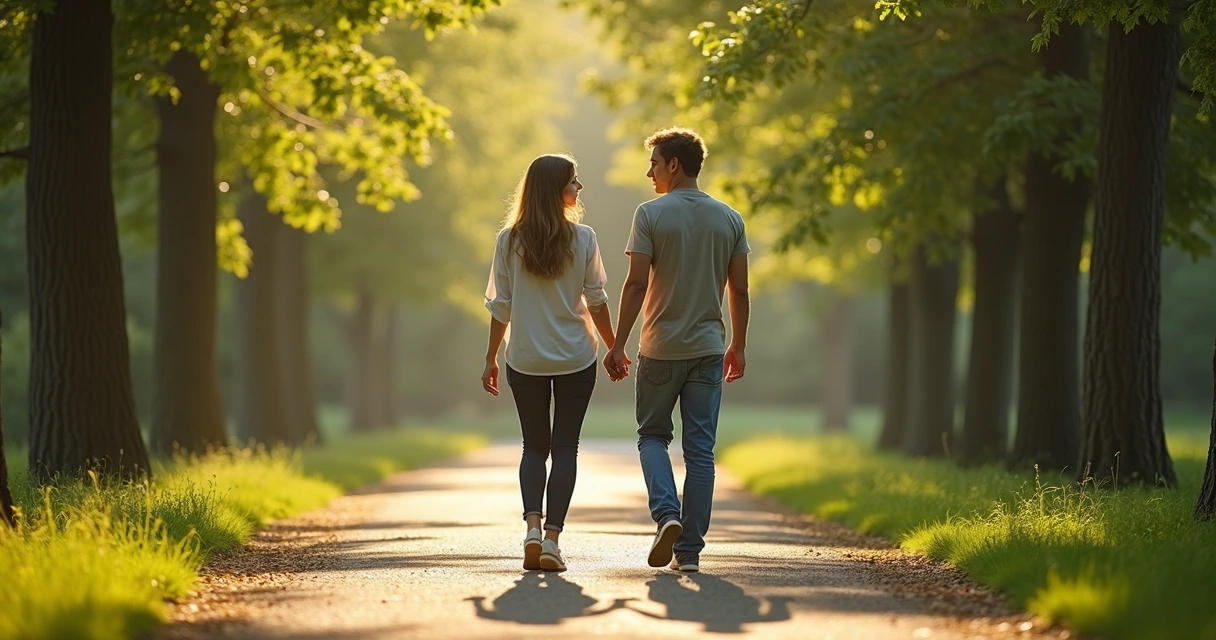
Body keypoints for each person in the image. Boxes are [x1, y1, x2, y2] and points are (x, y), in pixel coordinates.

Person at [604, 128, 750, 573]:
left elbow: (635, 284)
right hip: (708, 349)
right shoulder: (729, 218)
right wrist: (737, 346)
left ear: (674, 165)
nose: (649, 171)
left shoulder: (649, 214)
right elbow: (739, 291)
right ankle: (688, 553)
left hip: (659, 349)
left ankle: (667, 515)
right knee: (700, 451)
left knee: (652, 437)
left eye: (654, 163)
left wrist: (617, 343)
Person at [482, 153, 621, 573]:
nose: (579, 189)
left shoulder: (509, 240)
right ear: (555, 188)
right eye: (573, 182)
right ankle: (552, 541)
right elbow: (596, 301)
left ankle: (530, 527)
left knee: (533, 447)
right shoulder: (584, 238)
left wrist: (490, 356)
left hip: (524, 358)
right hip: (576, 357)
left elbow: (501, 306)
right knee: (565, 449)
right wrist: (614, 347)